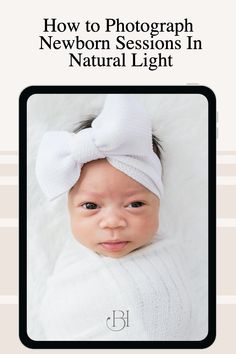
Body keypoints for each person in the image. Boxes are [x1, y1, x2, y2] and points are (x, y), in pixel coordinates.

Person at [35, 94, 193, 340]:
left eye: (135, 204)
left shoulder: (169, 258)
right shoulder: (71, 270)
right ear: (69, 208)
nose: (113, 222)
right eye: (90, 205)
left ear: (158, 203)